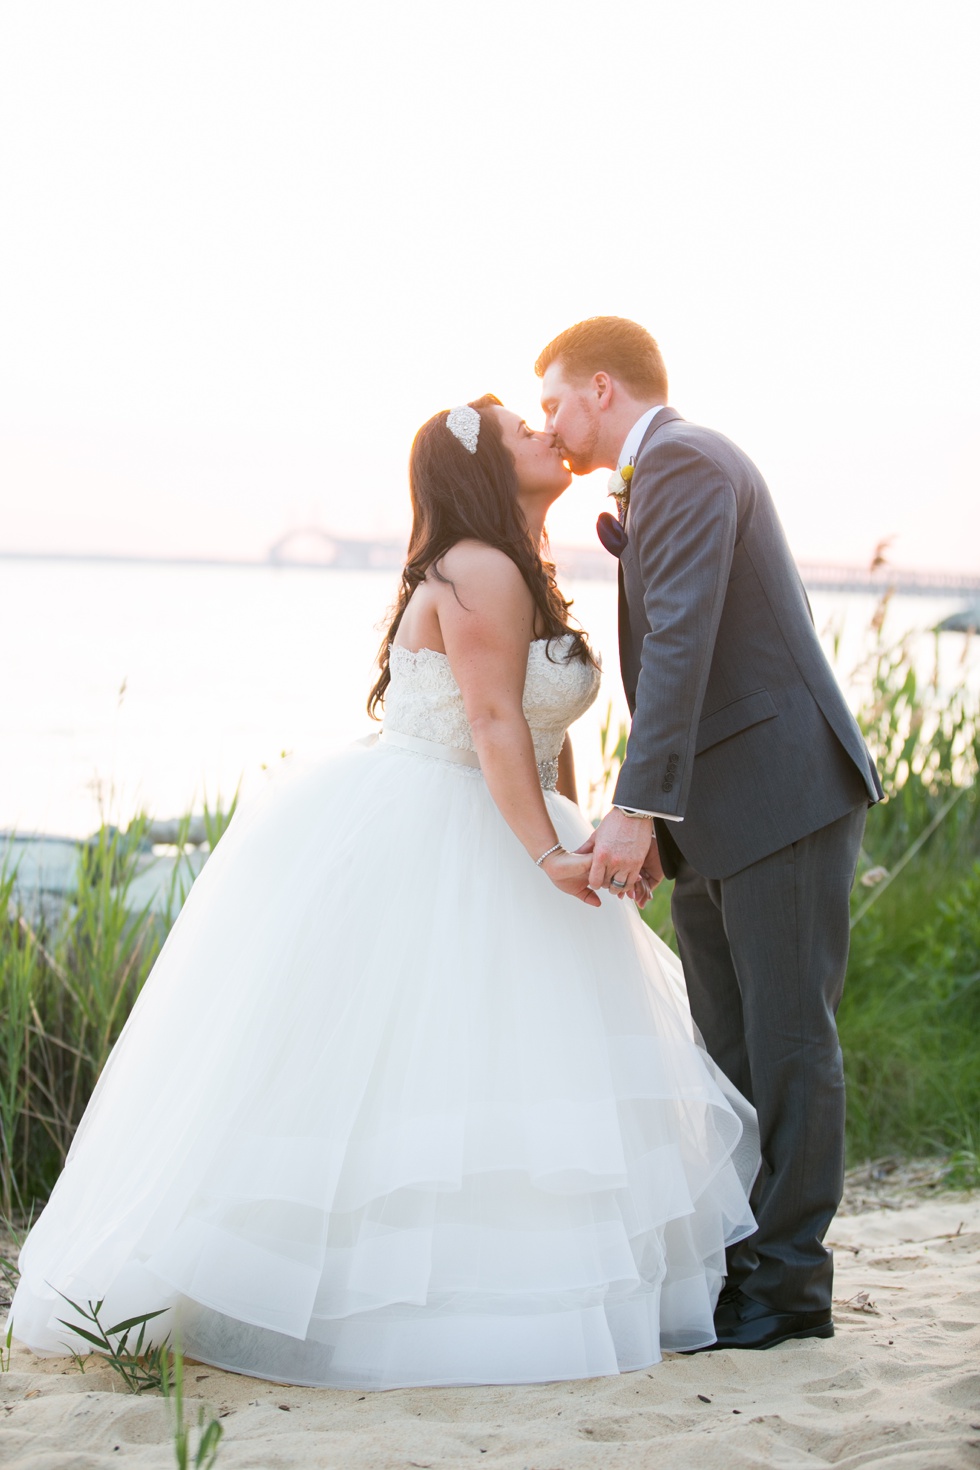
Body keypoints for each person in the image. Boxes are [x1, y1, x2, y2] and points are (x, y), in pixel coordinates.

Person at [9, 395, 758, 1389]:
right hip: (443, 819)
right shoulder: (479, 568)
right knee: (422, 1061)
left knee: (512, 1071)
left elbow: (538, 737)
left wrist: (587, 833)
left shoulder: (516, 562)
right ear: (483, 469)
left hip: (513, 815)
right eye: (519, 431)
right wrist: (545, 857)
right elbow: (492, 725)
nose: (543, 432)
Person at [536, 319, 883, 1351]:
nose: (549, 423)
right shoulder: (664, 471)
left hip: (776, 796)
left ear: (600, 387)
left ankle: (786, 1285)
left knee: (784, 1047)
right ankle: (746, 1262)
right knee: (727, 1055)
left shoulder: (683, 459)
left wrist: (633, 807)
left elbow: (680, 637)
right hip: (716, 813)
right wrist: (654, 813)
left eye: (551, 399)